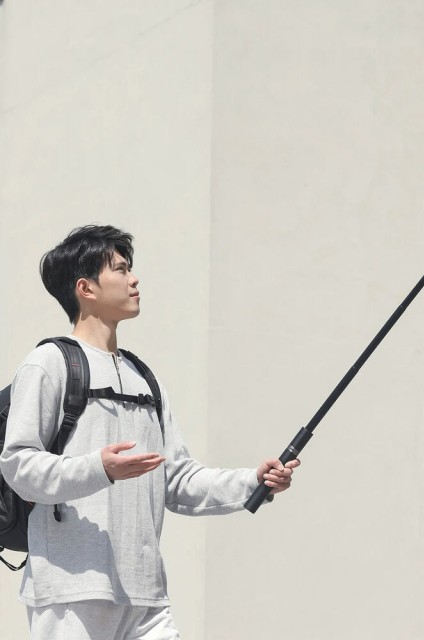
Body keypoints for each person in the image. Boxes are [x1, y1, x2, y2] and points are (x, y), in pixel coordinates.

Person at [0, 224, 300, 640]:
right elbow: (19, 465)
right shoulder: (48, 363)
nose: (134, 279)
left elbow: (176, 479)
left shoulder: (143, 378)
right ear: (85, 288)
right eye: (121, 270)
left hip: (146, 597)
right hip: (72, 591)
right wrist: (99, 468)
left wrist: (254, 481)